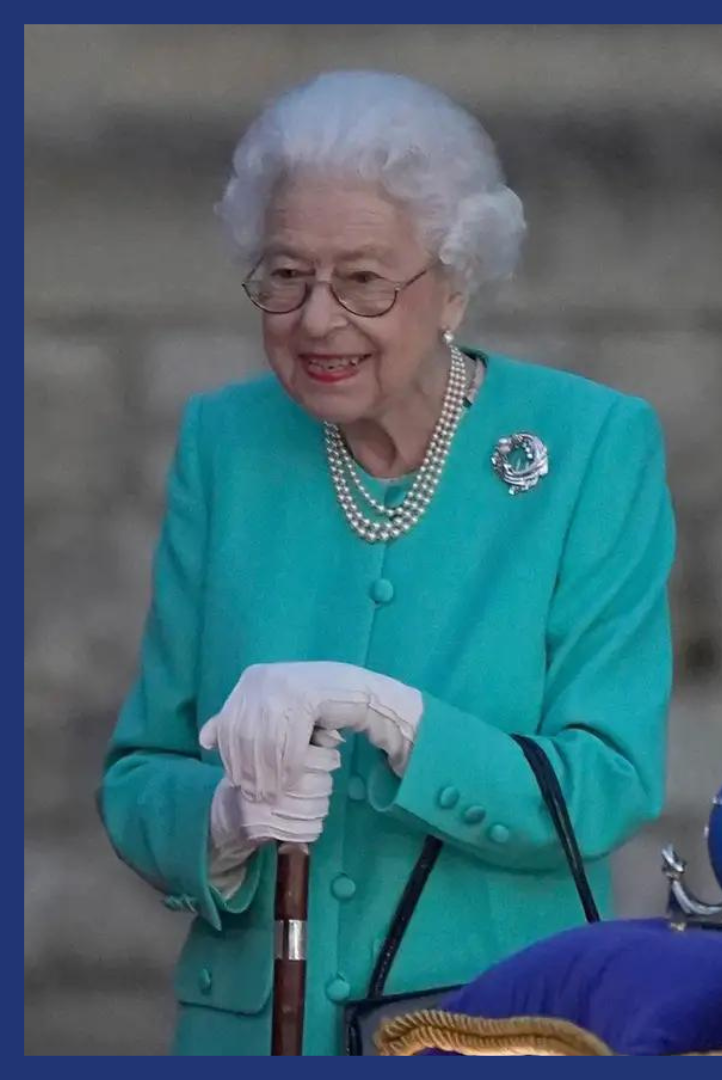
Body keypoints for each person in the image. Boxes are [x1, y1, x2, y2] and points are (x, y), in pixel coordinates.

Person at [99, 70, 675, 1056]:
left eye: (363, 279)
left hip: (483, 1032)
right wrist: (227, 820)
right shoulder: (226, 446)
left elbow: (607, 785)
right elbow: (140, 771)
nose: (317, 319)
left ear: (455, 280)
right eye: (284, 276)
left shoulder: (589, 449)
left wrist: (395, 718)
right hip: (250, 1036)